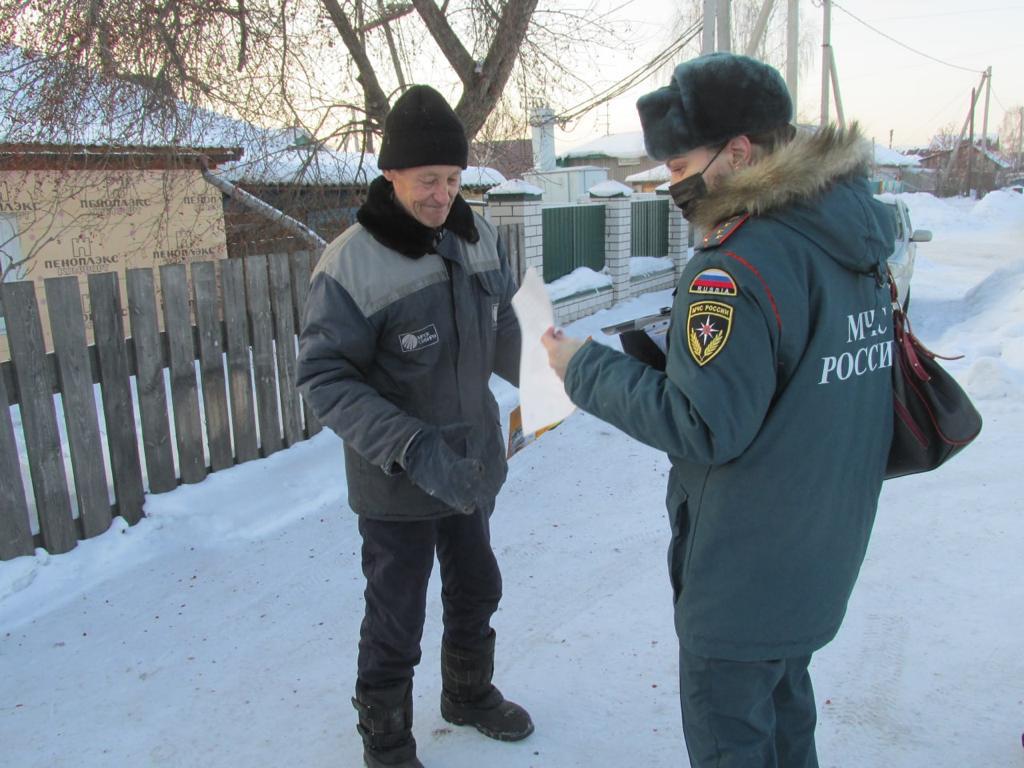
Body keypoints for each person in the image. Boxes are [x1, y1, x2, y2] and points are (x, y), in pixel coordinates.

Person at [542, 53, 896, 768]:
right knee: (787, 722)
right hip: (817, 554)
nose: (672, 184)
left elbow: (704, 426)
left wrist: (581, 368)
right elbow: (797, 382)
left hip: (744, 573)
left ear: (738, 152)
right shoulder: (848, 240)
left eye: (678, 167)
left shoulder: (735, 264)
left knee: (734, 740)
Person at [296, 84, 531, 768]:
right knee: (397, 615)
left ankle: (467, 694)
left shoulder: (477, 233)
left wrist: (561, 371)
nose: (442, 194)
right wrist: (412, 445)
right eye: (429, 179)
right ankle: (388, 743)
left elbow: (511, 318)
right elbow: (323, 378)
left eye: (454, 179)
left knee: (477, 585)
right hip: (397, 477)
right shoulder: (350, 263)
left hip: (470, 463)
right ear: (391, 173)